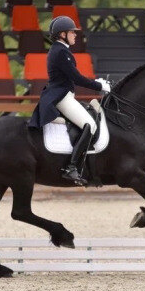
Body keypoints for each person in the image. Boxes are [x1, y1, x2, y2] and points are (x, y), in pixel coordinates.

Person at [28, 16, 111, 185]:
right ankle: (71, 167)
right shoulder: (59, 51)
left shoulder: (61, 50)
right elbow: (76, 78)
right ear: (62, 34)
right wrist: (99, 85)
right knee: (90, 125)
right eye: (72, 32)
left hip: (65, 95)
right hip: (61, 97)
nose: (75, 35)